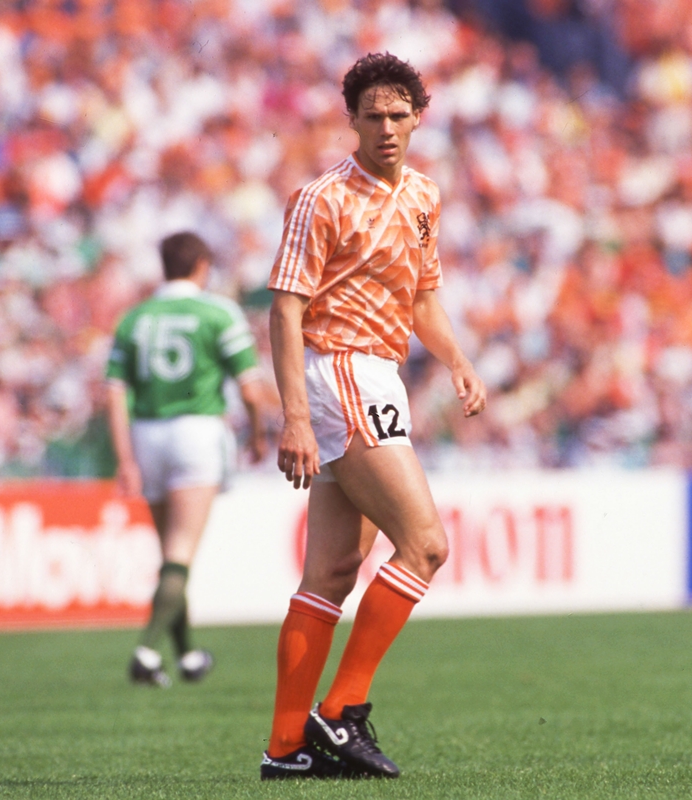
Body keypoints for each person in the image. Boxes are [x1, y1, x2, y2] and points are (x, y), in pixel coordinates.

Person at [258, 52, 487, 780]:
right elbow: (286, 310)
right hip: (341, 371)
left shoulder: (423, 196)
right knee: (425, 545)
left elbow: (423, 297)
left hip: (379, 375)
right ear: (351, 121)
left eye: (398, 115)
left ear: (419, 117)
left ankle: (285, 749)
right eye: (373, 116)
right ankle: (342, 708)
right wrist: (295, 416)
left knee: (331, 571)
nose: (387, 128)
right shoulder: (321, 199)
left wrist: (456, 358)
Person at [106, 231, 267, 686]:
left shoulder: (135, 317)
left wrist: (125, 458)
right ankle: (146, 652)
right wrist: (257, 435)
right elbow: (251, 389)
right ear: (201, 264)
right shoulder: (218, 312)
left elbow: (115, 393)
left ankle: (188, 656)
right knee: (180, 553)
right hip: (197, 431)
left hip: (147, 433)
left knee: (171, 554)